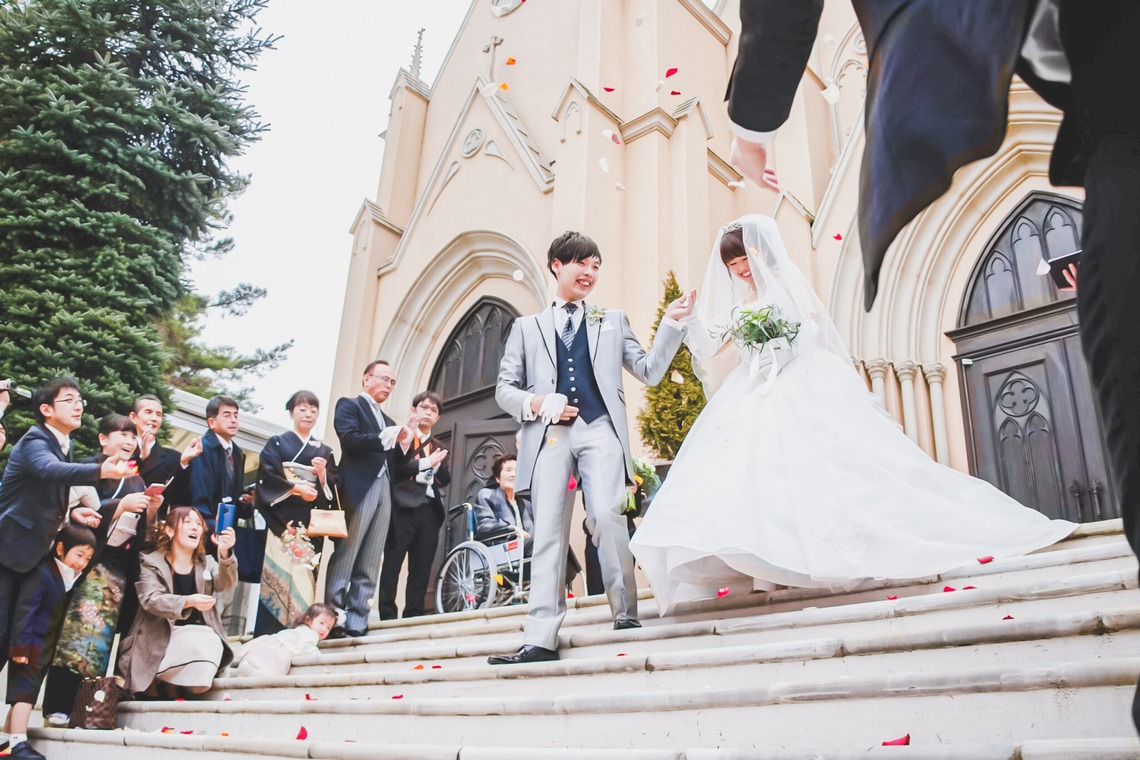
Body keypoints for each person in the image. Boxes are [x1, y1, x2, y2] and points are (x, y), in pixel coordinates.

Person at [629, 216, 1076, 613]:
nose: (740, 268)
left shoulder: (788, 288)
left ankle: (819, 558)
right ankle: (772, 565)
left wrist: (778, 349)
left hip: (797, 381)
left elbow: (810, 331)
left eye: (743, 256)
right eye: (732, 263)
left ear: (760, 251)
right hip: (753, 387)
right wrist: (683, 322)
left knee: (823, 468)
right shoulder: (738, 307)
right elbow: (712, 347)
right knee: (759, 475)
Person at [487, 231, 694, 665]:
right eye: (582, 263)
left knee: (606, 515)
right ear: (557, 266)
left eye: (597, 266)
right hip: (550, 435)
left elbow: (650, 372)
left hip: (599, 428)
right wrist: (538, 403)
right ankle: (540, 637)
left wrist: (672, 326)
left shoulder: (612, 320)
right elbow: (505, 389)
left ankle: (625, 613)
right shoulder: (526, 328)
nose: (590, 273)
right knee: (547, 532)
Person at [41, 414, 164, 726]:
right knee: (77, 635)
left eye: (132, 436)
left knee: (100, 640)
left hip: (119, 567)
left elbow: (143, 533)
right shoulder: (89, 469)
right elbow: (70, 514)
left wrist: (151, 510)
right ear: (102, 439)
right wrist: (118, 507)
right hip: (89, 561)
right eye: (121, 434)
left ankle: (86, 706)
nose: (128, 441)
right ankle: (57, 705)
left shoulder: (136, 478)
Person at [0, 378, 124, 662]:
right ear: (45, 409)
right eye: (69, 400)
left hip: (30, 554)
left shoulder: (63, 443)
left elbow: (45, 492)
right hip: (6, 552)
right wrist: (99, 471)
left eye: (80, 400)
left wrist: (71, 513)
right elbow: (49, 469)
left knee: (10, 639)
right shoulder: (35, 439)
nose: (78, 405)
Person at [324, 360, 410, 637]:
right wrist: (382, 439)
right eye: (384, 379)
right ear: (366, 378)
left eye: (392, 382)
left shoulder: (389, 422)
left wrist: (405, 447)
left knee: (372, 558)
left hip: (385, 488)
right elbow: (349, 439)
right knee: (347, 554)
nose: (388, 385)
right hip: (360, 487)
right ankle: (333, 616)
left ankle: (358, 619)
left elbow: (395, 464)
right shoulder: (349, 405)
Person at [117, 507, 237, 697]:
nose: (195, 528)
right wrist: (188, 601)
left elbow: (226, 583)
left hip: (200, 636)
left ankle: (175, 684)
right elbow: (151, 599)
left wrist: (224, 553)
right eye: (188, 522)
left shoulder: (206, 562)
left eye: (198, 524)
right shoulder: (150, 562)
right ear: (170, 530)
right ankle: (162, 681)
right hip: (158, 638)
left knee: (207, 640)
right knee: (200, 641)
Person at [1, 524, 96, 760]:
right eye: (79, 555)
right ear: (61, 548)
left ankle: (5, 739)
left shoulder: (68, 576)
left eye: (87, 558)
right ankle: (17, 742)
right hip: (29, 645)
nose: (82, 563)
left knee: (26, 693)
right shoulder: (43, 573)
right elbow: (26, 610)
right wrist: (19, 646)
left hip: (44, 647)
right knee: (25, 695)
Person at [253, 391, 338, 636]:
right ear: (291, 413)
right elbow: (266, 479)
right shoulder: (277, 443)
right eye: (302, 408)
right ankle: (267, 636)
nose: (308, 413)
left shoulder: (324, 450)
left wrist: (322, 477)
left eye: (313, 409)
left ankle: (301, 634)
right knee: (276, 578)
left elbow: (335, 489)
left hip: (310, 527)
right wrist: (294, 487)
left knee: (304, 581)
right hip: (282, 523)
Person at [379, 391, 451, 620]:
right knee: (393, 562)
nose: (428, 413)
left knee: (421, 566)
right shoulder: (403, 437)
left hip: (430, 509)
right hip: (402, 506)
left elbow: (446, 479)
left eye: (433, 410)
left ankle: (414, 614)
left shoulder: (438, 445)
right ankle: (387, 614)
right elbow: (398, 467)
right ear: (414, 410)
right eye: (424, 407)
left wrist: (437, 466)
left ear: (437, 417)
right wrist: (426, 462)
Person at [188, 395, 246, 550]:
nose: (233, 420)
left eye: (236, 415)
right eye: (227, 415)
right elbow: (198, 493)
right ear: (211, 422)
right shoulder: (202, 448)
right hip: (203, 531)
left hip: (226, 533)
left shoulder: (237, 453)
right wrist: (211, 528)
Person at [129, 394, 202, 509]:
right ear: (134, 417)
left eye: (158, 414)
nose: (154, 418)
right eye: (148, 412)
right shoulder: (123, 449)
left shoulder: (173, 458)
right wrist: (142, 457)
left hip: (152, 523)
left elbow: (181, 498)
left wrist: (183, 463)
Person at [230, 602, 336, 677]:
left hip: (272, 642)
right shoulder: (312, 634)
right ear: (308, 620)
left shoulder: (300, 630)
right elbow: (306, 647)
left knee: (260, 665)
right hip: (281, 651)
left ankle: (246, 669)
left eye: (328, 627)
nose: (324, 629)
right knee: (271, 677)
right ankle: (248, 671)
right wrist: (317, 654)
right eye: (322, 623)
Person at [473, 455, 533, 549]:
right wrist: (512, 529)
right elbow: (485, 525)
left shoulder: (526, 504)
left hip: (524, 547)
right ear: (498, 478)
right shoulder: (487, 495)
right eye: (509, 470)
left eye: (517, 471)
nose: (514, 474)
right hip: (501, 545)